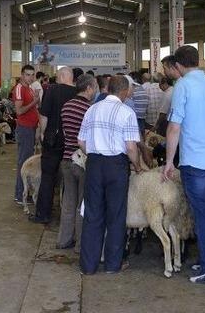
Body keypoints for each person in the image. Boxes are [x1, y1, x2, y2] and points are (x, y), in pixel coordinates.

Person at [162, 45, 205, 285]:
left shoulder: (183, 86)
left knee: (202, 215)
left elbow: (174, 126)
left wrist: (169, 161)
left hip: (195, 161)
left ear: (178, 66)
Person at [79, 75, 142, 275]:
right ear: (123, 91)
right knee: (116, 216)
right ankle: (113, 265)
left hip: (95, 164)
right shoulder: (127, 112)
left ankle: (88, 266)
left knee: (92, 214)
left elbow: (81, 141)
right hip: (117, 166)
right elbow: (131, 147)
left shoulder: (92, 109)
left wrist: (96, 154)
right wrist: (138, 167)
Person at [30, 67, 77, 224]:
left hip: (53, 140)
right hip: (72, 143)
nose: (56, 79)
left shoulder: (52, 90)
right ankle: (70, 215)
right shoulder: (78, 93)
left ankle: (43, 214)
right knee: (70, 180)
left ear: (63, 76)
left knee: (48, 177)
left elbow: (44, 115)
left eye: (57, 77)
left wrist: (43, 133)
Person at [57, 74, 97, 250]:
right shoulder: (89, 109)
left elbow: (66, 132)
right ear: (88, 88)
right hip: (82, 161)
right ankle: (81, 244)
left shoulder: (66, 106)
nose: (95, 90)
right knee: (82, 204)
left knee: (68, 202)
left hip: (66, 158)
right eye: (94, 87)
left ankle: (63, 240)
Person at [12, 64, 40, 205]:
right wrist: (34, 102)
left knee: (28, 162)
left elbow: (33, 107)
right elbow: (19, 111)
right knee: (24, 163)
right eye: (27, 74)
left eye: (32, 75)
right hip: (25, 129)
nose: (30, 77)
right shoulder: (19, 89)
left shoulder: (29, 88)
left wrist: (36, 101)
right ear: (22, 75)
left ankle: (25, 192)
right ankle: (19, 194)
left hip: (31, 129)